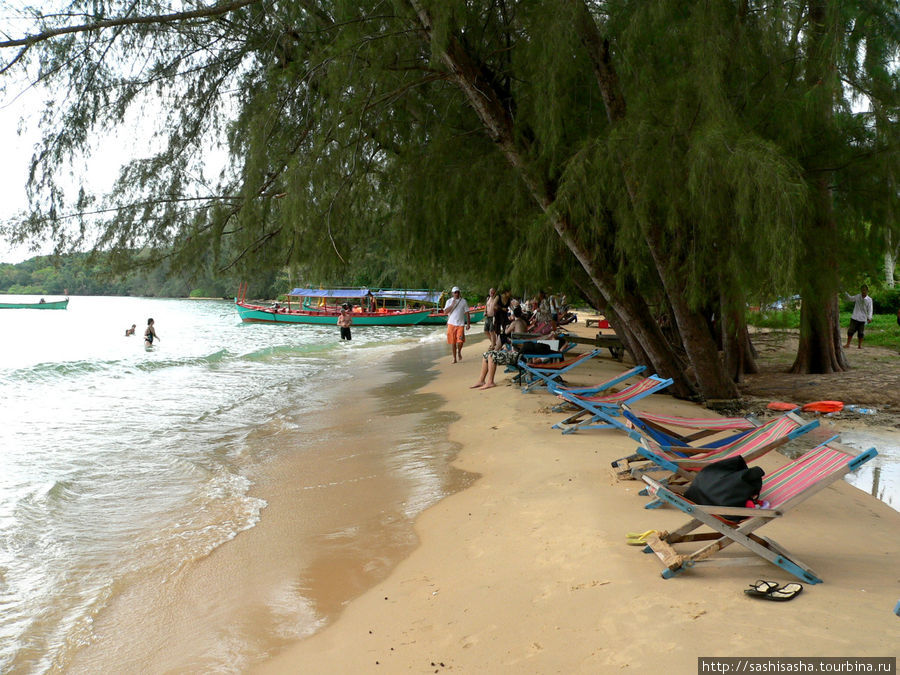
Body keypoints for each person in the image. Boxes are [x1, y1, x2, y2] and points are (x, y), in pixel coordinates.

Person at [443, 286, 470, 363]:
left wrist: (468, 324)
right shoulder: (448, 301)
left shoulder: (463, 301)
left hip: (460, 324)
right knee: (453, 342)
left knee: (460, 341)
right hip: (451, 324)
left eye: (458, 292)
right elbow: (445, 312)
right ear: (452, 293)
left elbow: (467, 313)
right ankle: (454, 358)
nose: (457, 294)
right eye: (455, 292)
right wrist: (452, 305)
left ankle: (459, 352)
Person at [843, 285, 873, 349]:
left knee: (861, 333)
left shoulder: (869, 300)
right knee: (850, 331)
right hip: (855, 317)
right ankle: (848, 344)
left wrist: (869, 317)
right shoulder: (857, 296)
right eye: (862, 290)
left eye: (865, 290)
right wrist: (844, 292)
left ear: (867, 291)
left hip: (863, 318)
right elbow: (850, 298)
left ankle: (859, 345)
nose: (863, 291)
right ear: (861, 290)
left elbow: (870, 309)